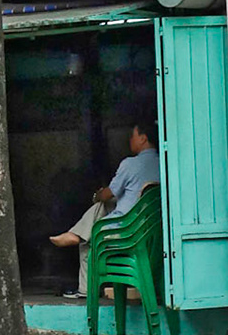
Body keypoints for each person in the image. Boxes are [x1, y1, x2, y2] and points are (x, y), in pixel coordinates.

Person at [49, 118, 162, 298]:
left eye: (132, 136)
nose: (129, 140)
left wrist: (97, 195)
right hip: (151, 229)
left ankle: (85, 288)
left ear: (143, 138)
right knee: (105, 207)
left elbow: (107, 194)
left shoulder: (130, 164)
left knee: (90, 236)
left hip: (127, 230)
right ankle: (76, 234)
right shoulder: (164, 163)